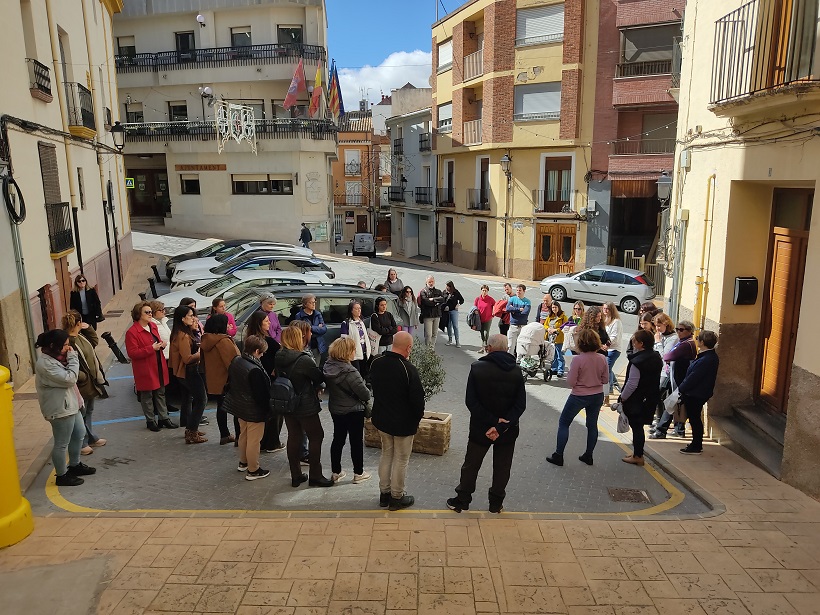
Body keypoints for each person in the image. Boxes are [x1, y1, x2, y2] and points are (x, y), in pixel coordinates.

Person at [446, 334, 526, 514]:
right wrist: (501, 426)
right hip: (507, 431)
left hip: (481, 428)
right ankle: (495, 504)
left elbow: (471, 402)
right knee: (502, 468)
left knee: (471, 465)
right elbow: (520, 405)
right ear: (506, 349)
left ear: (489, 347)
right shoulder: (517, 371)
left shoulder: (477, 368)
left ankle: (462, 500)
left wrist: (491, 422)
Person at [369, 331, 425, 511]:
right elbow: (418, 401)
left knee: (386, 454)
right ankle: (397, 496)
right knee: (401, 460)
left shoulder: (376, 362)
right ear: (408, 348)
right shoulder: (408, 369)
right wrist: (417, 419)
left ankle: (384, 494)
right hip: (403, 423)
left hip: (382, 419)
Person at [34, 329, 96, 486]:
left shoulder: (59, 359)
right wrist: (73, 358)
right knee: (62, 443)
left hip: (70, 404)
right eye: (66, 345)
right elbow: (69, 379)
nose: (69, 349)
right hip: (59, 409)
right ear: (54, 346)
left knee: (79, 433)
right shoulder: (46, 364)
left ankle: (75, 465)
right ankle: (62, 475)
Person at [275, 325, 332, 488]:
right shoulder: (303, 359)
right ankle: (315, 475)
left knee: (294, 436)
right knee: (316, 436)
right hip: (305, 404)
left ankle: (296, 475)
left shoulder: (279, 355)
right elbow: (318, 376)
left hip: (287, 402)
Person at [546, 328, 609, 467]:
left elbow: (571, 382)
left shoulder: (578, 360)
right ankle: (588, 455)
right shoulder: (602, 358)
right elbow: (605, 379)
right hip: (597, 395)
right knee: (592, 425)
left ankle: (559, 455)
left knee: (564, 422)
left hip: (579, 395)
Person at [323, 337, 372, 484]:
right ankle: (358, 473)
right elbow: (365, 394)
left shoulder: (327, 366)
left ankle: (336, 472)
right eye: (353, 349)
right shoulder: (350, 372)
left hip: (336, 409)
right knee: (356, 441)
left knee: (338, 439)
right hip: (353, 410)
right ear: (346, 352)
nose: (354, 352)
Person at [223, 335, 272, 480]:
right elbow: (261, 395)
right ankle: (253, 469)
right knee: (254, 440)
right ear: (256, 351)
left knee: (243, 435)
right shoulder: (254, 369)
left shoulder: (237, 361)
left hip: (240, 406)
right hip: (254, 410)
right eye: (262, 352)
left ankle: (243, 462)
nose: (262, 355)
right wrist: (267, 409)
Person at [62, 310, 108, 455]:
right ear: (77, 323)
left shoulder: (80, 336)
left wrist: (88, 328)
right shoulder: (70, 341)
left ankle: (90, 438)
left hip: (91, 381)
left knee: (88, 411)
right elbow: (70, 362)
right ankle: (82, 443)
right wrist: (82, 377)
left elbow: (94, 342)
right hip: (83, 383)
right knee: (81, 414)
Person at [125, 301, 175, 432]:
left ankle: (164, 418)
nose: (150, 314)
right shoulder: (132, 332)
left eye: (150, 312)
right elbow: (132, 353)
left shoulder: (152, 326)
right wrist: (151, 348)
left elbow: (156, 341)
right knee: (147, 395)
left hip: (158, 362)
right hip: (145, 367)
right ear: (138, 315)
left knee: (161, 392)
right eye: (147, 312)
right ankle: (150, 420)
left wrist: (161, 345)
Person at [619, 329, 664, 466]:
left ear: (641, 344)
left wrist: (623, 397)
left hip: (636, 400)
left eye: (634, 342)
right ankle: (637, 453)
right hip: (649, 397)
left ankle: (638, 456)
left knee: (637, 427)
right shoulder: (656, 357)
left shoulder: (637, 361)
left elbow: (632, 383)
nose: (632, 344)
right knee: (639, 426)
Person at [243, 310, 283, 453]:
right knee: (274, 413)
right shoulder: (263, 341)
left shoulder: (252, 338)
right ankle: (271, 442)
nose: (269, 323)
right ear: (259, 324)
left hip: (264, 377)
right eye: (266, 321)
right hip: (268, 379)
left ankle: (268, 441)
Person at [652, 320, 698, 439]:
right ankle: (678, 429)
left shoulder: (685, 344)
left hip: (679, 379)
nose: (678, 332)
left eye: (681, 330)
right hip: (675, 376)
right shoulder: (683, 342)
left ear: (690, 331)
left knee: (671, 403)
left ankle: (661, 430)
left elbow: (667, 356)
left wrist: (658, 343)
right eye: (677, 329)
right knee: (675, 403)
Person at [677, 331, 720, 455]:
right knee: (694, 418)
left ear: (702, 342)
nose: (696, 340)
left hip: (696, 394)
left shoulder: (706, 359)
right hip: (698, 392)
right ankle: (696, 443)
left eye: (698, 339)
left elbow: (694, 377)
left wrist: (681, 388)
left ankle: (696, 445)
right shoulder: (708, 356)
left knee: (695, 419)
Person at [170, 305, 208, 443]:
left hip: (185, 372)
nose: (193, 318)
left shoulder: (182, 332)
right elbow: (187, 358)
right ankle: (191, 433)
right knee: (202, 400)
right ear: (182, 318)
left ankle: (191, 428)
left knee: (189, 399)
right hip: (189, 371)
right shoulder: (183, 335)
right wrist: (200, 353)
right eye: (190, 316)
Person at [202, 314, 241, 445]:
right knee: (237, 408)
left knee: (221, 407)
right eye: (227, 324)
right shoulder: (223, 341)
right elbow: (233, 361)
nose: (229, 326)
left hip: (215, 379)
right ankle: (239, 437)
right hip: (228, 379)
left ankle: (224, 434)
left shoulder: (206, 339)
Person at [649, 312, 676, 435]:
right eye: (655, 326)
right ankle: (658, 422)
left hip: (667, 372)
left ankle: (662, 425)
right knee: (657, 396)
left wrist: (658, 342)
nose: (657, 329)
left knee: (658, 393)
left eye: (659, 326)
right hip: (657, 371)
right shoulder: (660, 336)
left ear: (666, 324)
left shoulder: (673, 338)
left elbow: (665, 356)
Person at [295, 293, 328, 366]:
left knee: (316, 366)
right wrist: (317, 328)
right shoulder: (299, 316)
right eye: (311, 302)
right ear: (305, 304)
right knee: (306, 365)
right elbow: (300, 331)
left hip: (317, 344)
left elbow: (324, 329)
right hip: (305, 344)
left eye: (314, 302)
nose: (313, 304)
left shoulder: (317, 314)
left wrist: (311, 328)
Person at [340, 300, 372, 375]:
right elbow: (344, 340)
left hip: (364, 351)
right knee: (356, 373)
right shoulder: (346, 323)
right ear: (351, 310)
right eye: (356, 309)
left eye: (360, 308)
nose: (359, 310)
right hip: (354, 353)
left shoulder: (361, 321)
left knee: (364, 372)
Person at [602, 302, 623, 405]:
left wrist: (607, 345)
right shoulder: (604, 321)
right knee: (608, 368)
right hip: (605, 349)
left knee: (606, 368)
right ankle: (615, 385)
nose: (605, 310)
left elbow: (614, 337)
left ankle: (609, 390)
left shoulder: (616, 322)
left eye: (608, 309)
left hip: (614, 349)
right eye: (604, 308)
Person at [505, 284, 531, 357]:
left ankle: (519, 361)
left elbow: (525, 313)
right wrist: (519, 309)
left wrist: (513, 311)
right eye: (517, 290)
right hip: (513, 326)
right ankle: (509, 360)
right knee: (510, 346)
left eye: (520, 290)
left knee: (521, 346)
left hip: (522, 327)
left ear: (524, 291)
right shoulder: (512, 299)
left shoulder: (527, 302)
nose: (518, 292)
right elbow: (507, 309)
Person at [419, 275, 445, 347]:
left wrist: (433, 299)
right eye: (429, 282)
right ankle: (428, 350)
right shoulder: (423, 292)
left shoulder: (438, 291)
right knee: (428, 334)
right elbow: (426, 302)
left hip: (437, 315)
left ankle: (431, 349)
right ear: (426, 282)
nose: (431, 283)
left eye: (432, 281)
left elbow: (443, 299)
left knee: (434, 334)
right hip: (427, 316)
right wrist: (436, 302)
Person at [546, 302, 568, 377]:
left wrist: (556, 330)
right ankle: (554, 369)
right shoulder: (550, 316)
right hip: (551, 339)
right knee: (553, 355)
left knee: (560, 355)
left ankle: (560, 370)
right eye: (553, 307)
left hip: (559, 339)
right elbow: (545, 325)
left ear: (558, 307)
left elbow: (565, 326)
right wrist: (548, 329)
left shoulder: (563, 317)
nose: (554, 309)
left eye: (555, 307)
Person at [442, 281, 465, 347]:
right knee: (449, 326)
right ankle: (450, 340)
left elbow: (462, 300)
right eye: (446, 286)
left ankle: (457, 341)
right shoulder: (444, 292)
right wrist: (444, 306)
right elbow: (442, 300)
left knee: (455, 326)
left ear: (451, 286)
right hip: (446, 311)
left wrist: (458, 305)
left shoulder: (455, 292)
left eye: (448, 286)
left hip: (454, 311)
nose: (446, 287)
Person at [473, 285, 496, 351]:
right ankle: (483, 346)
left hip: (488, 318)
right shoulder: (478, 299)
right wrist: (475, 311)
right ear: (481, 291)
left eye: (486, 291)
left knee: (486, 332)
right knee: (482, 333)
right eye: (483, 290)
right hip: (479, 319)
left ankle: (486, 345)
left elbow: (495, 305)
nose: (484, 292)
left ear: (487, 291)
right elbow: (474, 307)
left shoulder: (490, 299)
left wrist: (493, 313)